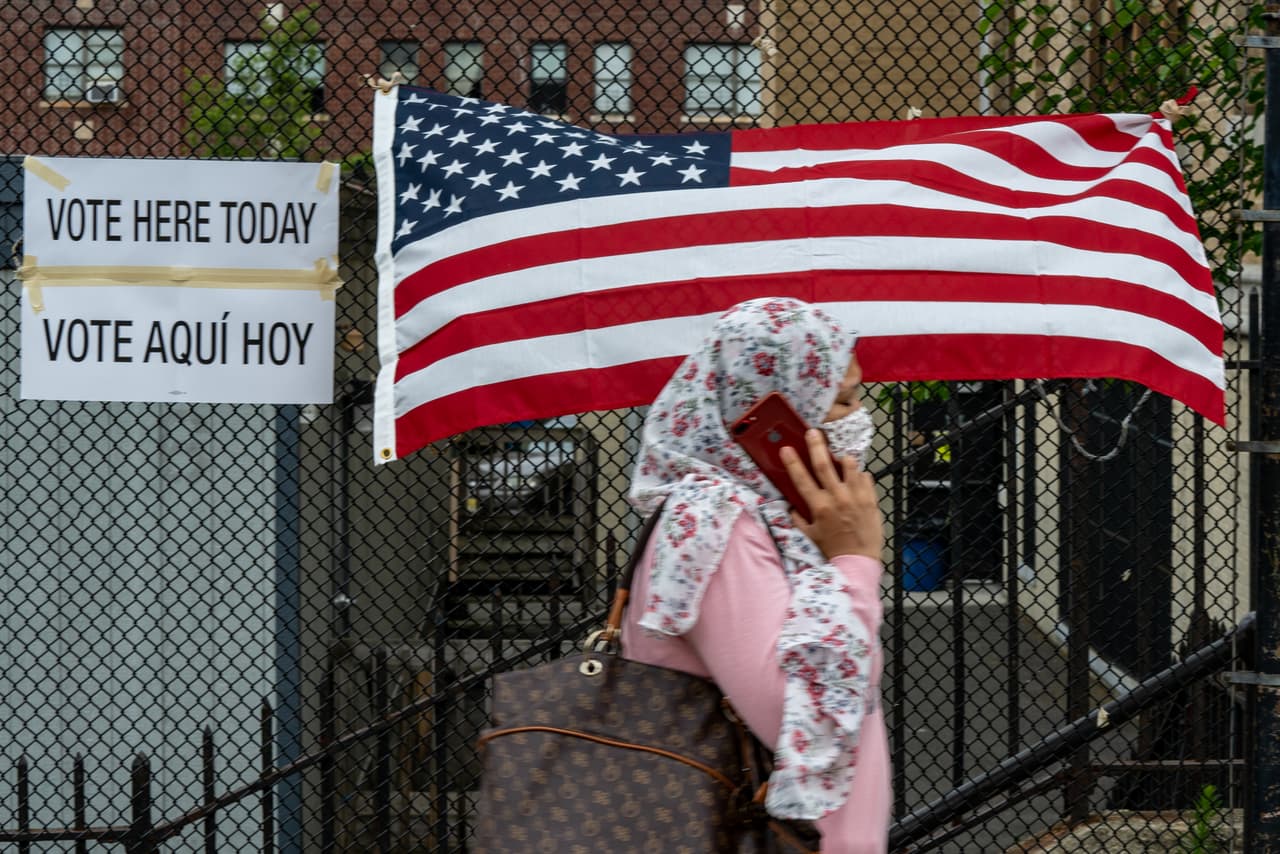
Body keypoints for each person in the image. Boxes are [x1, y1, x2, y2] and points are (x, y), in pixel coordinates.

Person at [622, 296, 890, 854]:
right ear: (777, 414)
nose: (860, 421)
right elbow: (801, 719)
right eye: (842, 400)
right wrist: (855, 559)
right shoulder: (715, 523)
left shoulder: (769, 521)